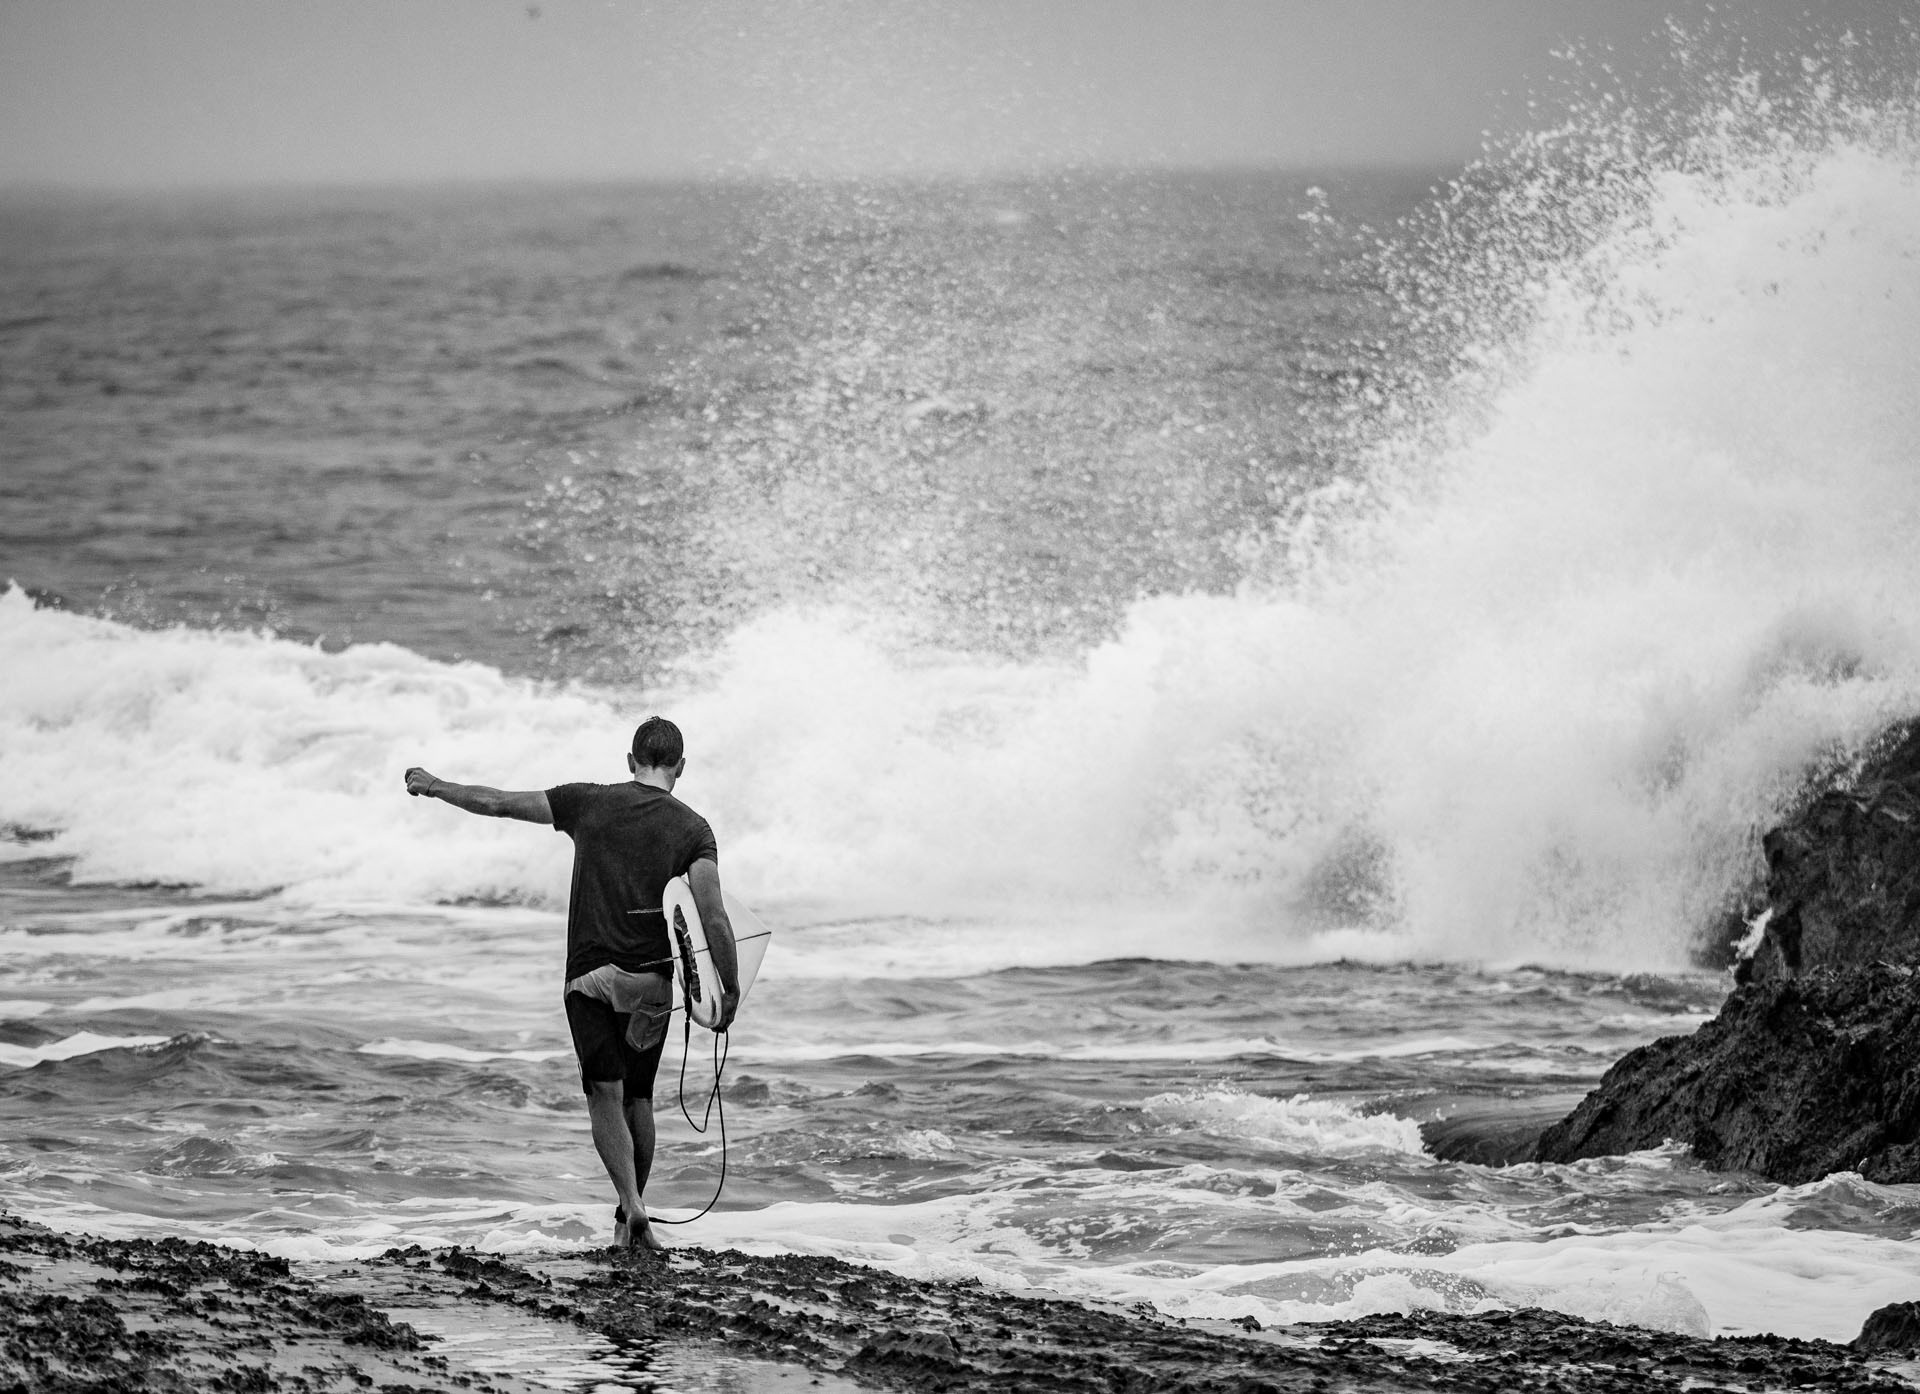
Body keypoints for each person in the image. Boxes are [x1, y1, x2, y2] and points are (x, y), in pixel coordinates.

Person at [403, 716, 739, 1252]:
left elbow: (500, 803)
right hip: (651, 986)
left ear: (630, 761)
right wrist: (729, 988)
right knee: (639, 1099)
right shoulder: (694, 830)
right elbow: (713, 915)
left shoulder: (588, 801)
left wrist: (436, 785)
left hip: (590, 979)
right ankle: (629, 1218)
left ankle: (630, 1204)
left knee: (604, 1093)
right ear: (681, 766)